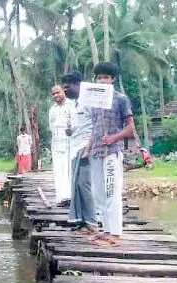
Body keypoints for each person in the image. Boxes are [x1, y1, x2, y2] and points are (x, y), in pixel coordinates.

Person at [88, 62, 136, 246]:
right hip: (97, 152)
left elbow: (130, 128)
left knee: (111, 192)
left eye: (106, 77)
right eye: (99, 77)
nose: (102, 81)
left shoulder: (120, 99)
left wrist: (114, 137)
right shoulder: (93, 102)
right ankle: (105, 229)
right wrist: (88, 148)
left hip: (112, 152)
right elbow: (94, 128)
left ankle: (115, 233)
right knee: (98, 193)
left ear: (112, 79)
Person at [62, 71, 98, 236]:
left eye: (67, 87)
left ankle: (92, 222)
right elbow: (79, 126)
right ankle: (81, 220)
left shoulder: (88, 101)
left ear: (78, 85)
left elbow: (97, 124)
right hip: (75, 148)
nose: (65, 91)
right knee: (76, 185)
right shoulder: (75, 104)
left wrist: (89, 146)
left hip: (85, 148)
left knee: (84, 184)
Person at [49, 85, 73, 205]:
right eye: (53, 94)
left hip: (69, 144)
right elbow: (51, 127)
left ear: (64, 91)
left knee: (69, 171)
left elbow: (76, 124)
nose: (56, 95)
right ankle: (61, 198)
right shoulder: (52, 109)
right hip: (56, 144)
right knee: (58, 171)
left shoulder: (71, 105)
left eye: (57, 92)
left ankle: (70, 197)